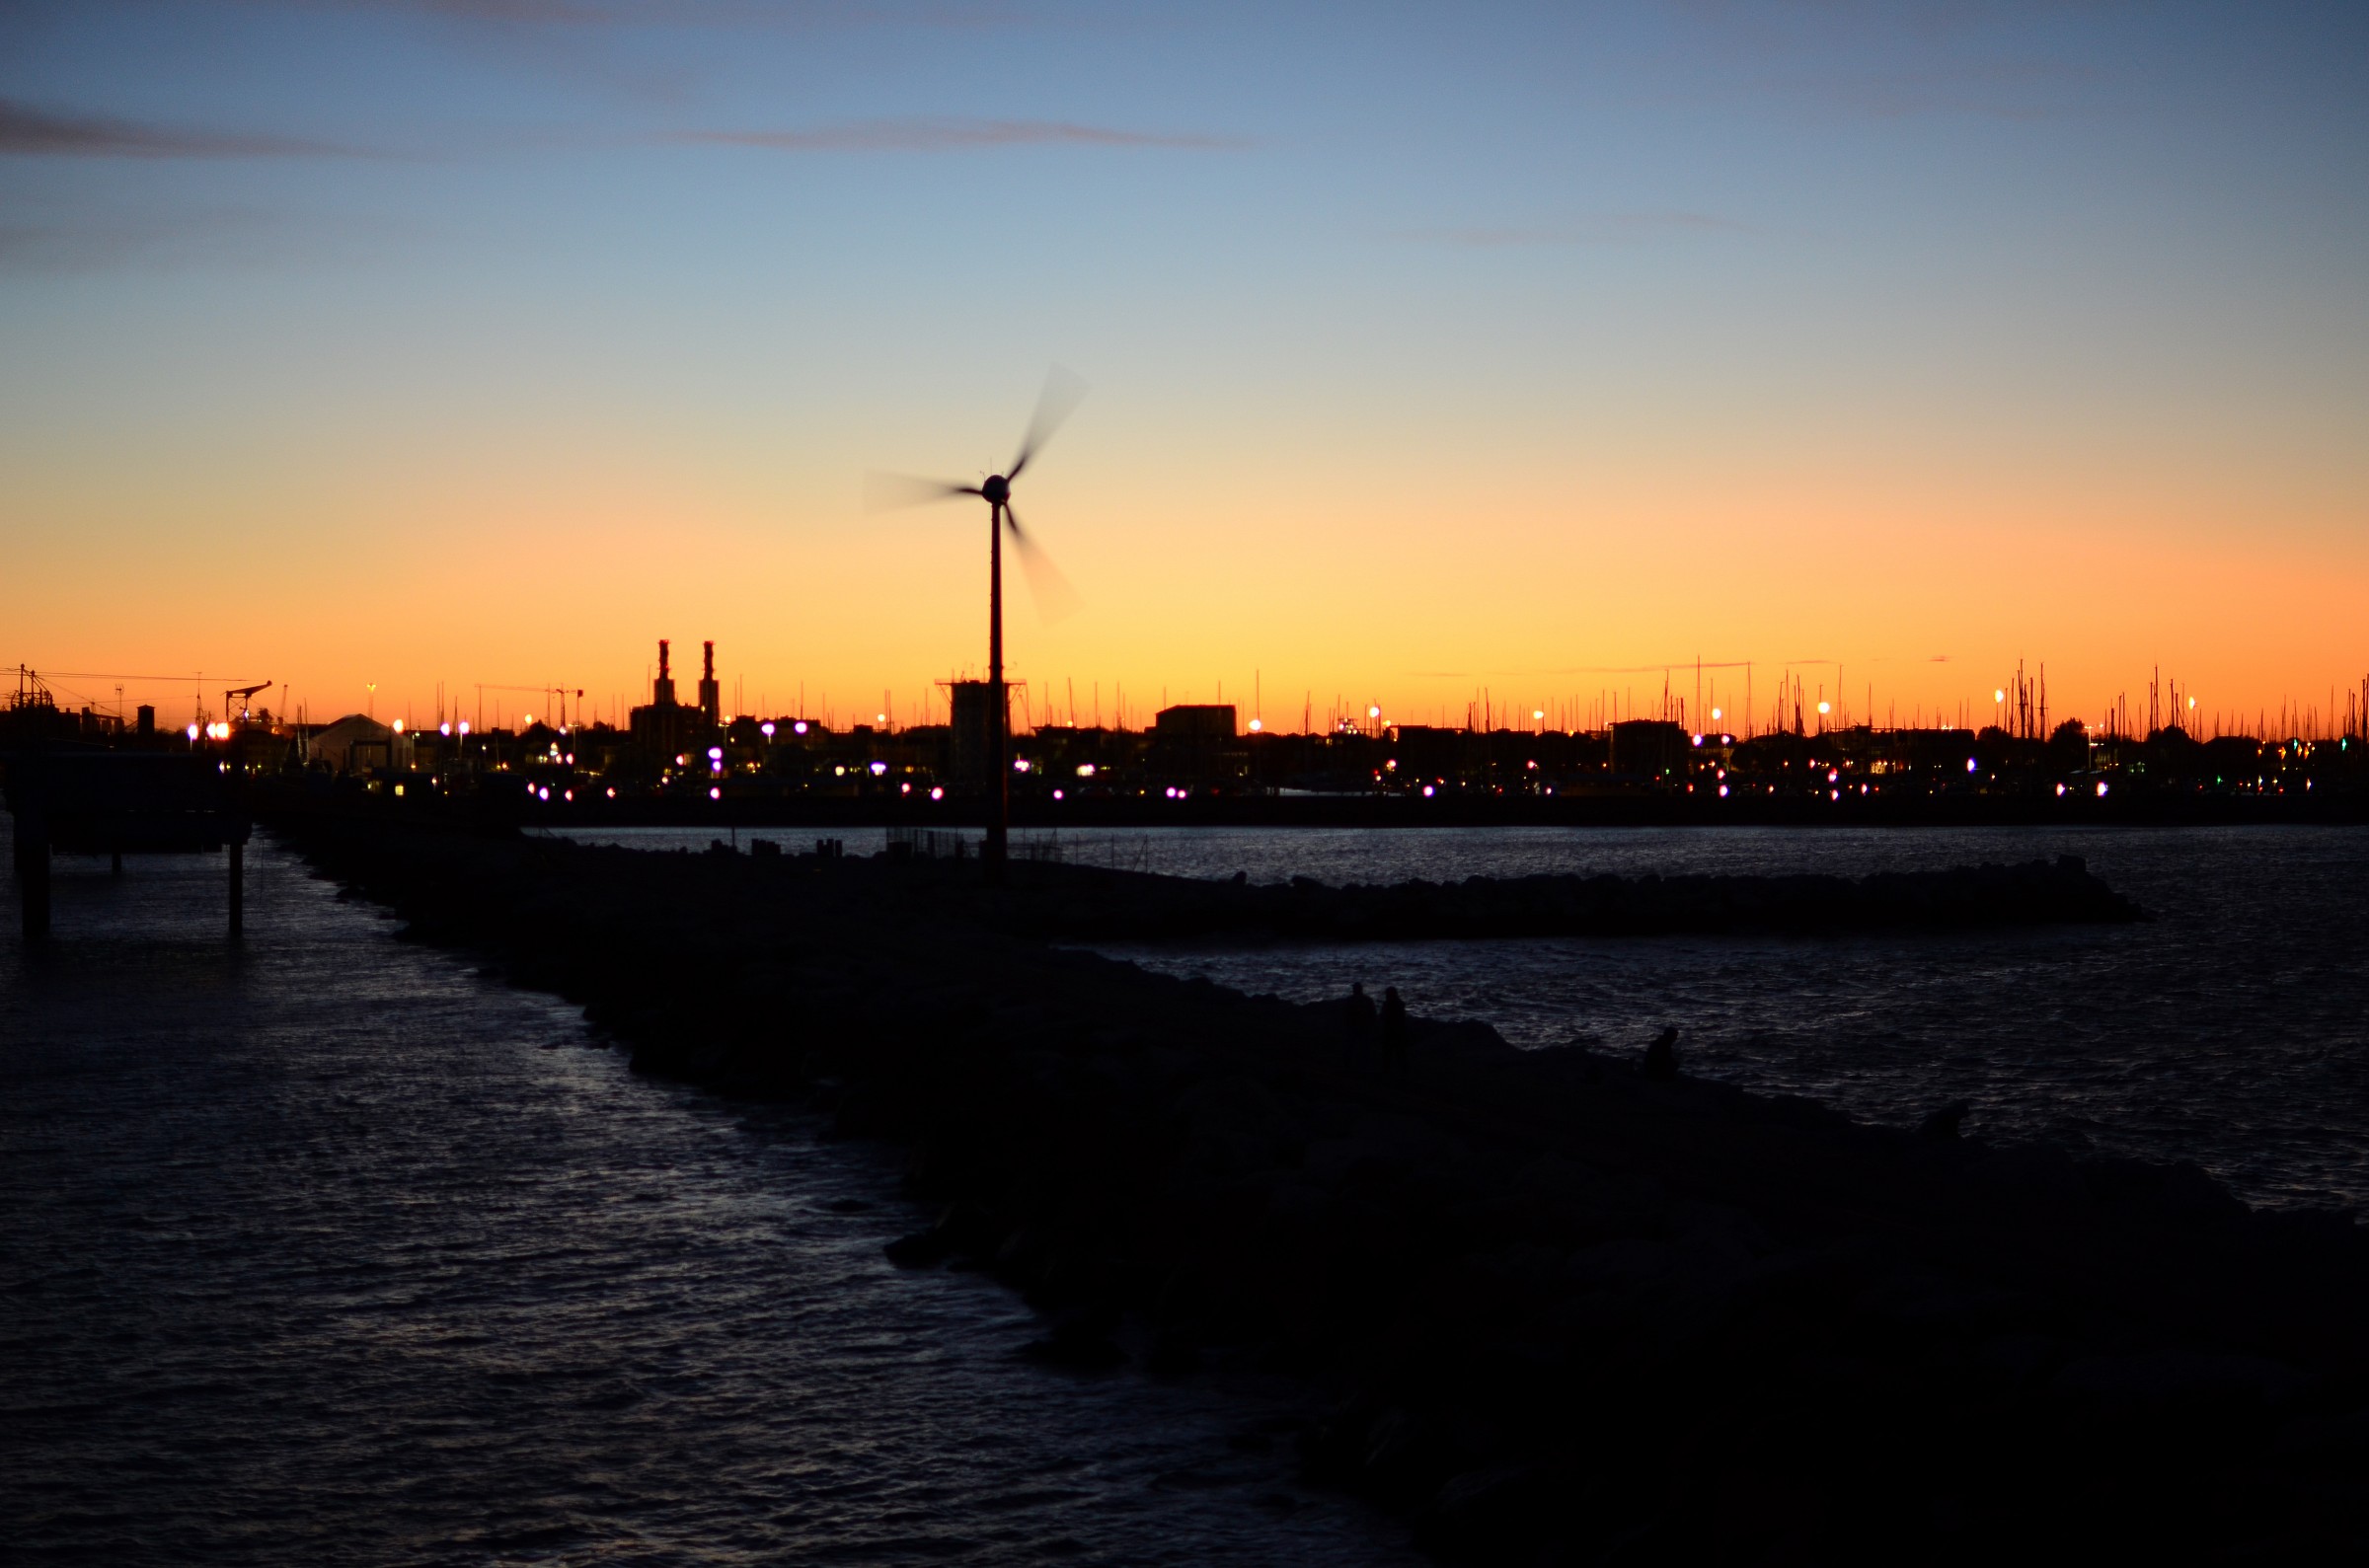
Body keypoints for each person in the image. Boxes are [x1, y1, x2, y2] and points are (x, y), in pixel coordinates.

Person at [1342, 983, 1378, 1073]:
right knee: (1364, 1047)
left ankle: (1348, 1065)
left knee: (1351, 1046)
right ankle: (1364, 1065)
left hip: (1353, 1026)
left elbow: (1346, 1014)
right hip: (1365, 1026)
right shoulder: (1368, 1000)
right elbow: (1373, 1013)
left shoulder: (1350, 1000)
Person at [1379, 987, 1410, 1079]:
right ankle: (1402, 1072)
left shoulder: (1387, 1005)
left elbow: (1383, 1017)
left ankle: (1386, 1072)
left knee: (1388, 1053)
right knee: (1400, 1053)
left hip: (1389, 1031)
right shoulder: (1400, 1004)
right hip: (1398, 1032)